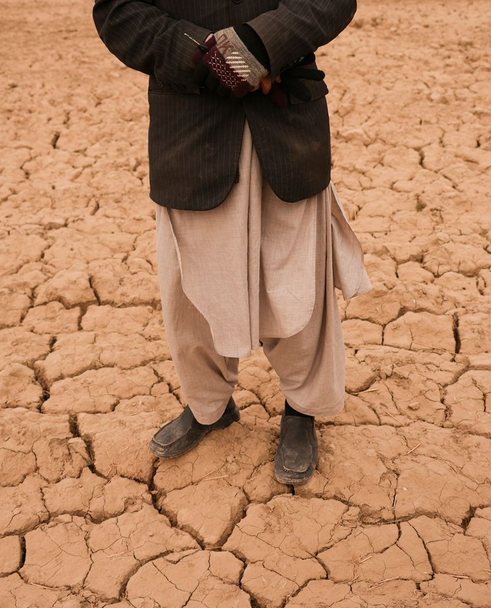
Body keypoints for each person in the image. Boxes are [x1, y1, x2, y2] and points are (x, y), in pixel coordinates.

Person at [92, 0, 371, 485]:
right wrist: (206, 59)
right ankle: (208, 407)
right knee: (195, 287)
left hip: (286, 120)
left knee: (296, 279)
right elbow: (119, 11)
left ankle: (301, 411)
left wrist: (255, 48)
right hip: (190, 124)